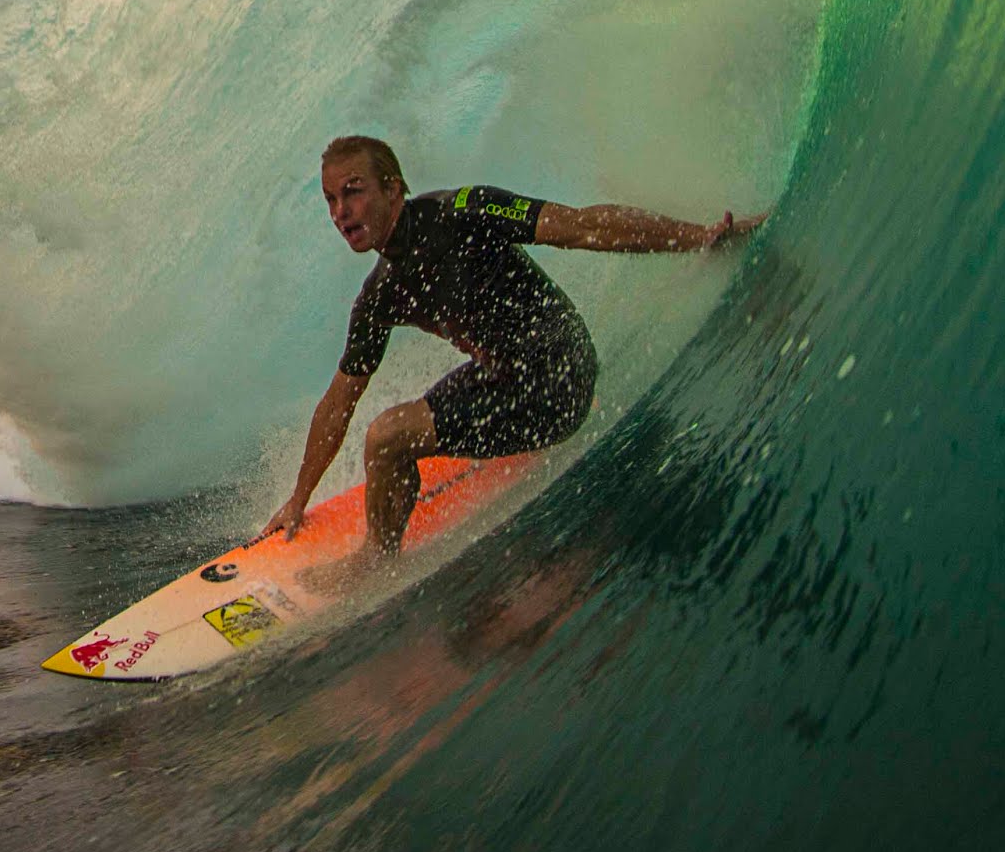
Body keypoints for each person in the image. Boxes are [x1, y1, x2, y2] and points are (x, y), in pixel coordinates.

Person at [261, 133, 755, 559]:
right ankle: (388, 530)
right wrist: (299, 498)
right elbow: (339, 401)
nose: (341, 212)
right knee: (388, 440)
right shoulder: (380, 294)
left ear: (393, 187)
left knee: (386, 436)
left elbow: (583, 226)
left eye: (353, 192)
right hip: (505, 382)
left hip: (562, 375)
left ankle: (376, 560)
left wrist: (698, 237)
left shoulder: (465, 210)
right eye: (330, 199)